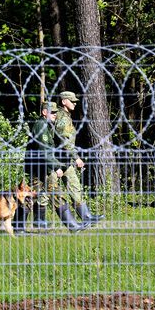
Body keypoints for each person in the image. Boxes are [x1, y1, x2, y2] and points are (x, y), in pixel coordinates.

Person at [13, 101, 89, 233]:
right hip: (38, 169)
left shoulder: (46, 126)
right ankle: (72, 226)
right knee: (54, 195)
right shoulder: (41, 126)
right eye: (52, 112)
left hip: (42, 169)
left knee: (32, 196)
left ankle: (19, 227)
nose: (55, 114)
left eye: (55, 112)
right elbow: (44, 151)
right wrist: (56, 167)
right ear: (44, 112)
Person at [55, 91, 105, 225]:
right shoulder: (62, 117)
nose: (75, 103)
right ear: (64, 101)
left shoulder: (65, 116)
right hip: (57, 160)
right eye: (72, 101)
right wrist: (76, 157)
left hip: (64, 160)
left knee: (75, 186)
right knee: (43, 193)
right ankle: (21, 223)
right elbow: (64, 141)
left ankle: (86, 216)